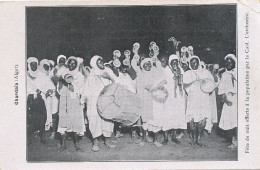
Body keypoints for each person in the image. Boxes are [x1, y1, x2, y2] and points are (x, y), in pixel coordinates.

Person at [82, 55, 117, 152]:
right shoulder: (92, 74)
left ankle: (107, 140)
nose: (102, 63)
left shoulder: (108, 71)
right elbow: (87, 88)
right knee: (94, 119)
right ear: (94, 64)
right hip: (94, 101)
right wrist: (84, 100)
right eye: (99, 62)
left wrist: (108, 76)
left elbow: (116, 82)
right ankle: (95, 141)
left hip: (107, 100)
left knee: (108, 119)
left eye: (102, 61)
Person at [183, 55, 216, 147]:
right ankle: (193, 139)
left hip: (203, 99)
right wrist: (195, 81)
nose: (194, 64)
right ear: (189, 64)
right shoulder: (187, 73)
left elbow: (212, 85)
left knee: (202, 121)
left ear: (198, 62)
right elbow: (185, 86)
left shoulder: (206, 72)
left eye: (195, 62)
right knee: (192, 121)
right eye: (192, 63)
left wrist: (204, 82)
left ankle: (199, 139)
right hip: (192, 99)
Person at [56, 56, 86, 152]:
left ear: (76, 65)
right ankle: (63, 144)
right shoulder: (63, 73)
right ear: (67, 63)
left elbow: (82, 90)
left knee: (76, 122)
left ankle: (77, 144)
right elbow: (59, 89)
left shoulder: (80, 76)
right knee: (63, 122)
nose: (71, 65)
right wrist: (60, 84)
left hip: (75, 102)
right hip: (64, 102)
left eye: (74, 63)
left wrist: (74, 88)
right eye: (70, 63)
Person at [162, 54, 187, 145]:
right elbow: (163, 83)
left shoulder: (181, 70)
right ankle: (165, 138)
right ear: (170, 62)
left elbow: (183, 83)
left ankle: (173, 137)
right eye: (173, 62)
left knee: (176, 116)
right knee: (167, 116)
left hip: (179, 98)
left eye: (176, 62)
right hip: (169, 97)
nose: (175, 64)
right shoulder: (166, 70)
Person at [218, 54, 237, 150]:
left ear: (234, 62)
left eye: (230, 62)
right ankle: (234, 142)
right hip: (229, 101)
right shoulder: (224, 75)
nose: (228, 64)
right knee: (230, 122)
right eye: (227, 62)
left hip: (238, 100)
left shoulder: (240, 73)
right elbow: (221, 90)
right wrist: (226, 99)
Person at [27, 57, 47, 144]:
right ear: (29, 65)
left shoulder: (41, 75)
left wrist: (42, 90)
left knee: (42, 118)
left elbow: (46, 85)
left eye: (35, 64)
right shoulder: (25, 75)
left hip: (39, 99)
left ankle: (42, 137)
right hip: (30, 100)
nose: (34, 66)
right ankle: (29, 138)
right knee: (30, 120)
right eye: (32, 64)